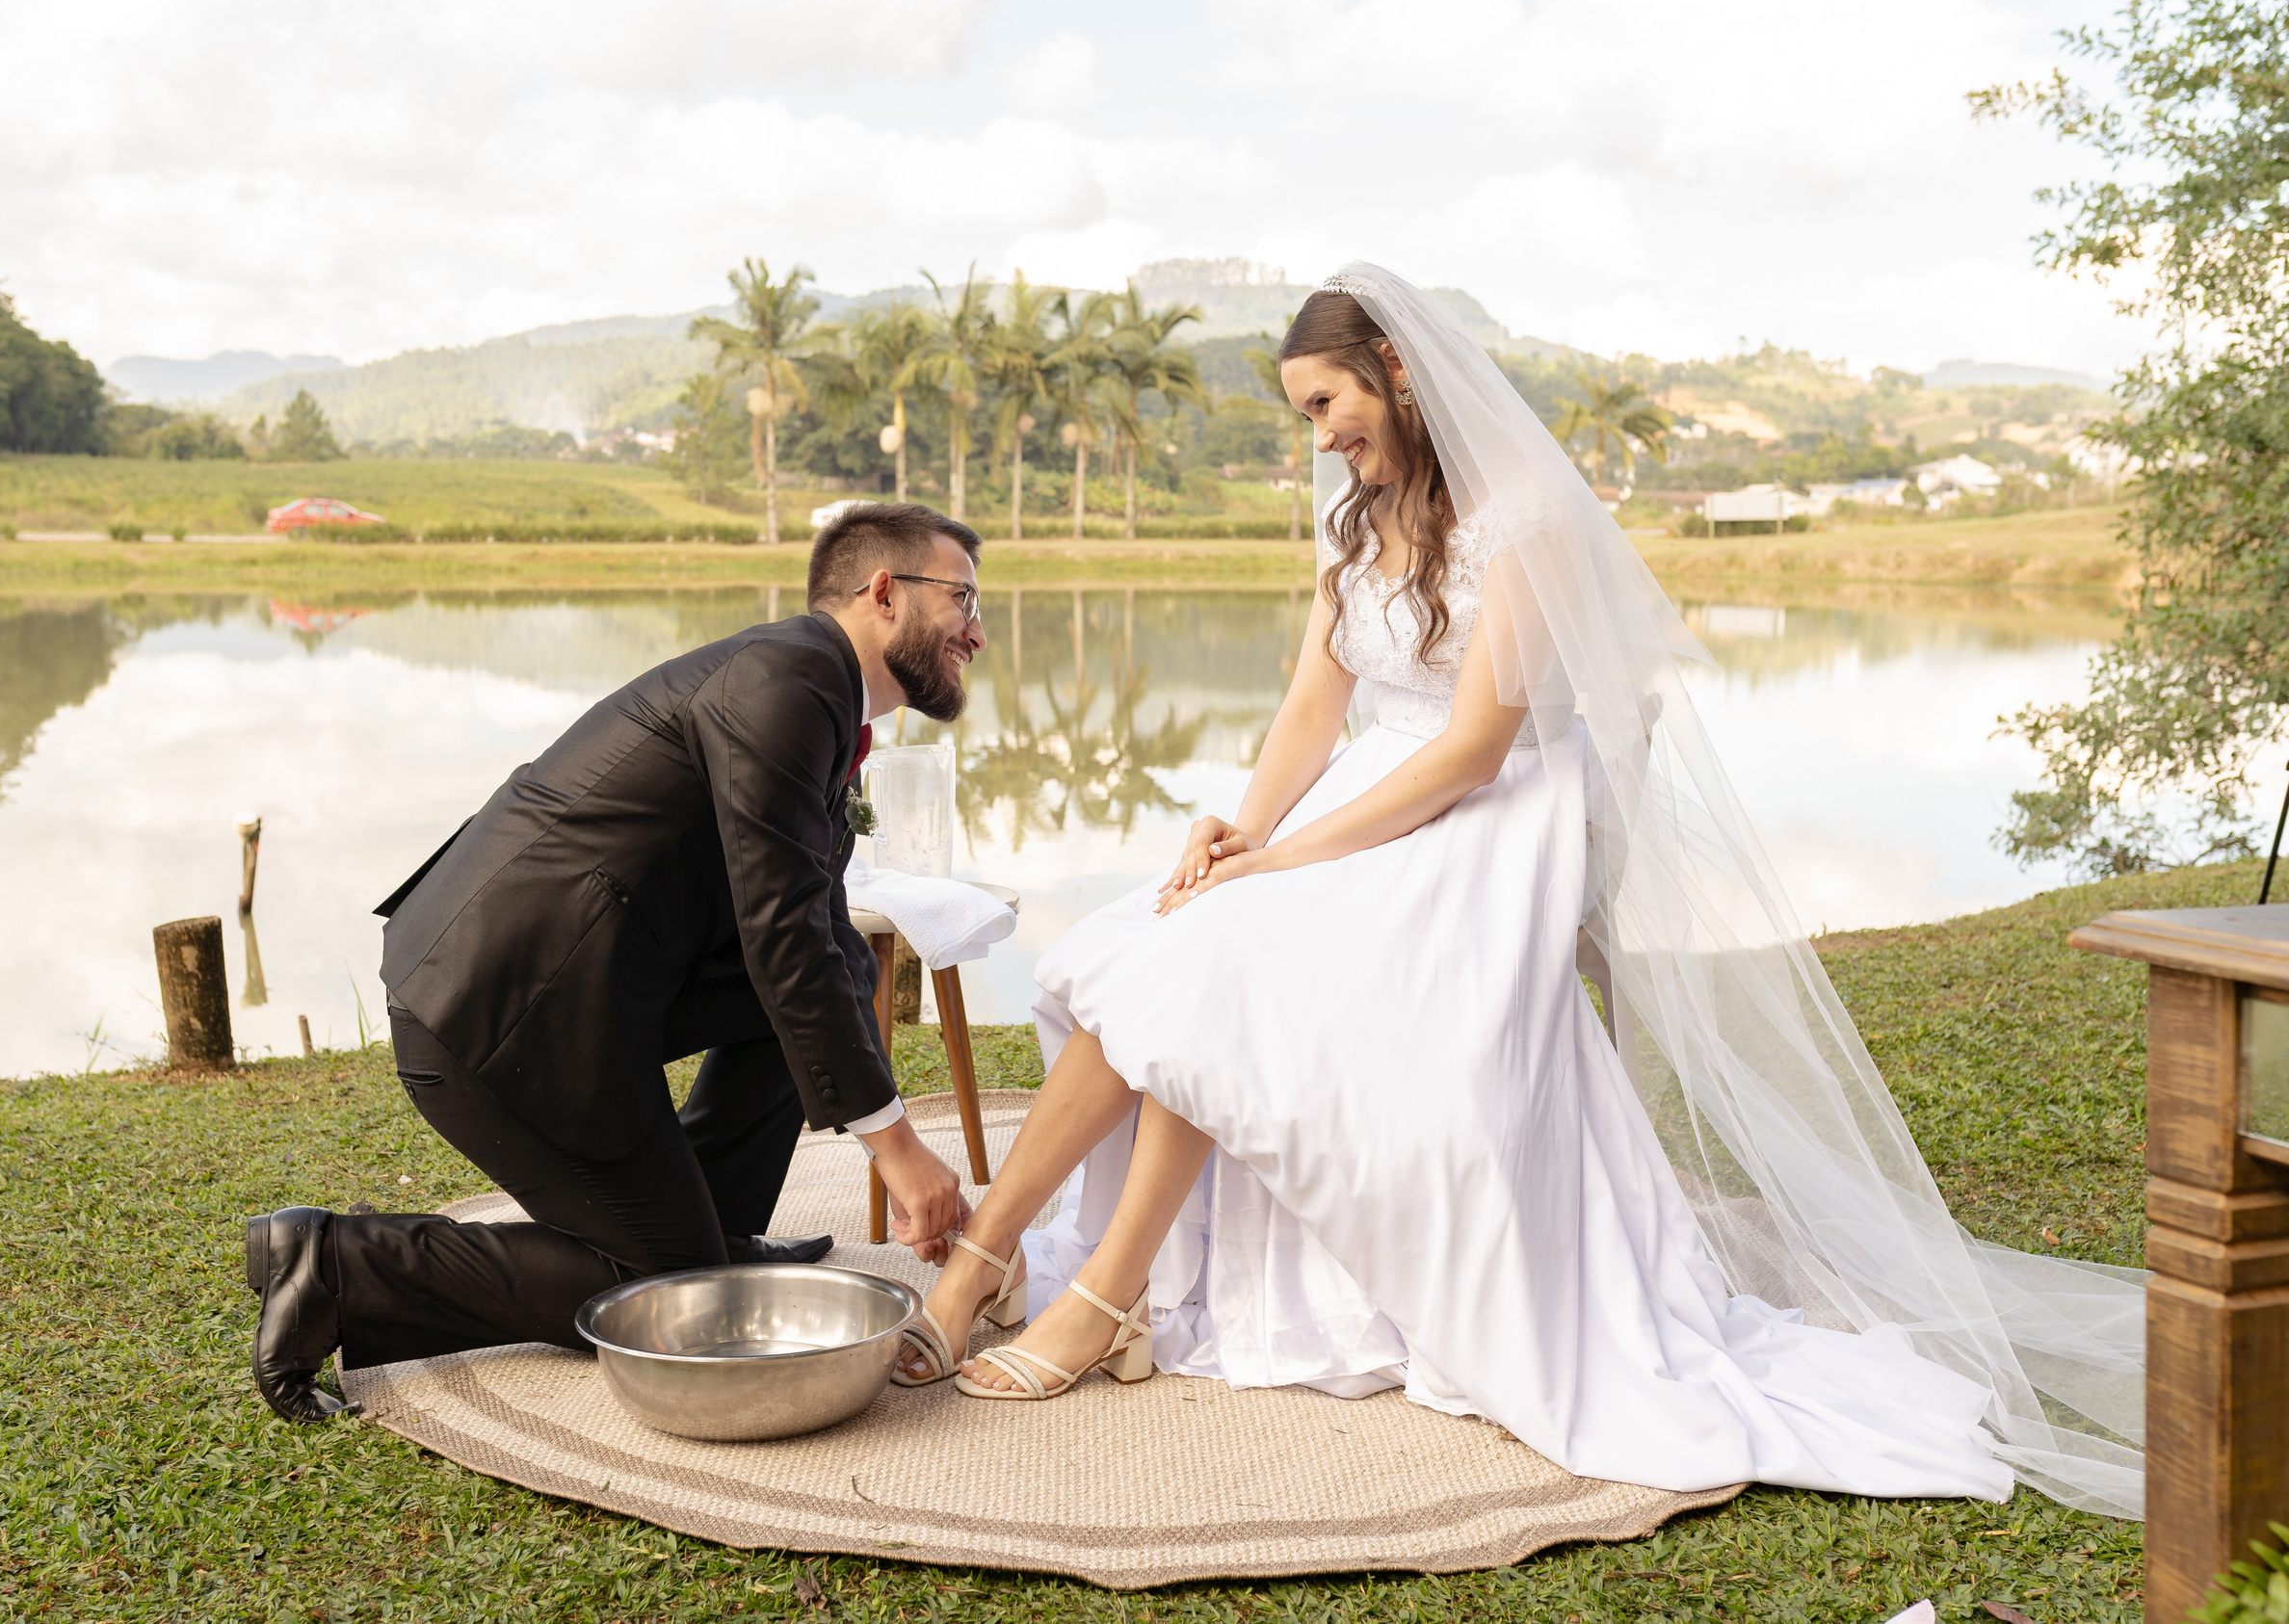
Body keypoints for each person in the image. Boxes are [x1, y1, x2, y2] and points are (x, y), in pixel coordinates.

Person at [891, 267, 2147, 1519]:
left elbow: (1472, 750)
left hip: (1492, 814)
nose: (1321, 435)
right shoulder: (1355, 508)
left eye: (1328, 401)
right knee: (1161, 934)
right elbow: (1313, 707)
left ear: (1391, 361)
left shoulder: (1527, 510)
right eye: (1304, 415)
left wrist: (1285, 864)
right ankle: (988, 1265)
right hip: (1369, 796)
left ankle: (1105, 1296)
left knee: (1229, 956)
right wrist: (1241, 830)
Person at [245, 501, 988, 1423]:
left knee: (845, 961)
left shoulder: (811, 687)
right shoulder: (788, 680)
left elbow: (815, 933)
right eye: (963, 597)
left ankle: (718, 1225)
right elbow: (779, 931)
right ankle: (336, 1266)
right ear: (885, 591)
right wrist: (899, 1149)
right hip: (496, 1011)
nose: (978, 630)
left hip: (590, 994)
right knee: (678, 1296)